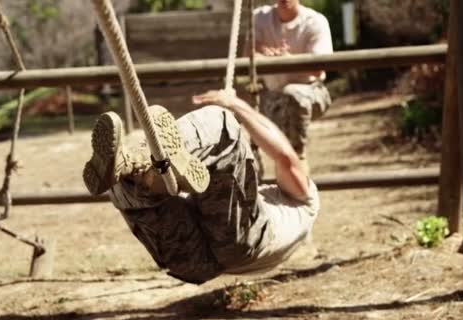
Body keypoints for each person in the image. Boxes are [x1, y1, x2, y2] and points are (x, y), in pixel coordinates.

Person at [82, 89, 319, 284]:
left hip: (235, 246)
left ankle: (141, 156)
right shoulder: (284, 219)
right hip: (197, 265)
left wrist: (235, 104)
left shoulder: (308, 201)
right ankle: (132, 168)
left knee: (221, 126)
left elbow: (287, 158)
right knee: (131, 186)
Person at [248, 0, 333, 173]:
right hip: (270, 96)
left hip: (310, 92)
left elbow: (319, 66)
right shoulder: (259, 17)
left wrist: (288, 59)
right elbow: (248, 54)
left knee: (292, 95)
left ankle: (298, 160)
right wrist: (265, 54)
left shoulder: (315, 21)